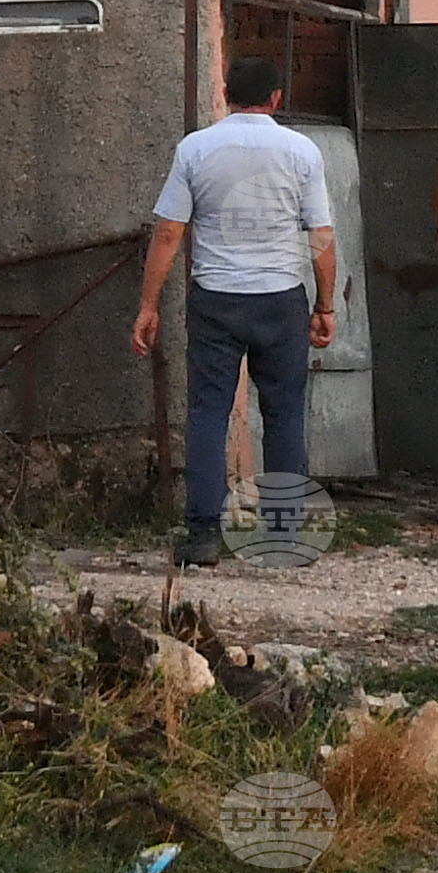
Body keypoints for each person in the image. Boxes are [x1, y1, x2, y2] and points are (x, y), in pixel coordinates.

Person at [129, 54, 339, 566]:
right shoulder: (301, 151)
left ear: (225, 94)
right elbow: (321, 236)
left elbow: (169, 232)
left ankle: (202, 536)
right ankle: (285, 534)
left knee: (207, 413)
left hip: (215, 300)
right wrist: (325, 305)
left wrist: (148, 305)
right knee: (284, 413)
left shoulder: (196, 149)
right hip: (280, 298)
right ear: (275, 99)